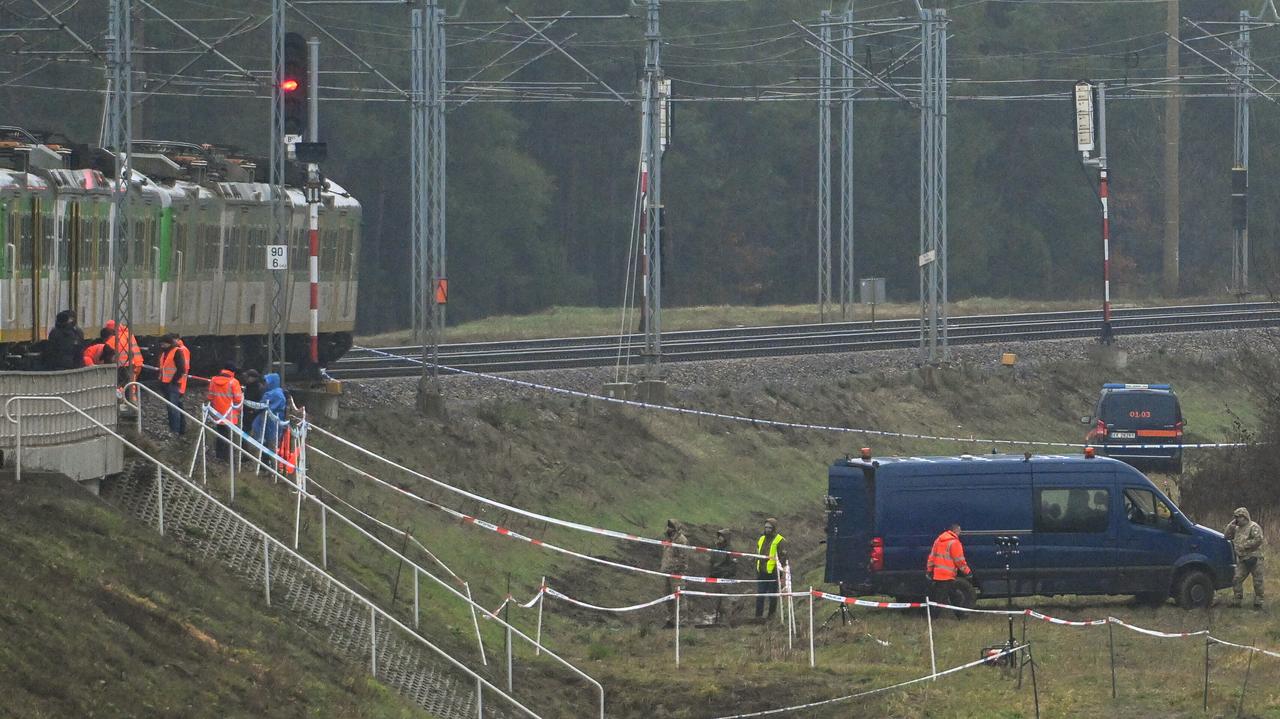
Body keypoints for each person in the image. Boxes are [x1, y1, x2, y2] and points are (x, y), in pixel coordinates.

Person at [927, 522, 973, 618]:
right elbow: (959, 560)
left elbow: (932, 557)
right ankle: (933, 618)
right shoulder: (954, 542)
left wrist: (929, 570)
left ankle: (960, 615)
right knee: (942, 598)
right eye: (959, 530)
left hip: (938, 574)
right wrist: (967, 572)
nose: (960, 532)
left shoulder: (938, 540)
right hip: (947, 575)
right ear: (955, 530)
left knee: (953, 595)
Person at [1224, 507, 1265, 609]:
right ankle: (1237, 600)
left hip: (1254, 558)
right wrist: (1230, 526)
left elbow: (1258, 539)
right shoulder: (1236, 528)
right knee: (1236, 579)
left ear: (1244, 517)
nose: (1237, 519)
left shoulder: (1253, 526)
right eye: (1236, 517)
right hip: (1243, 559)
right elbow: (1226, 536)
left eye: (1239, 517)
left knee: (1257, 581)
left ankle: (1258, 601)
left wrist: (1244, 545)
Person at [206, 363, 243, 460]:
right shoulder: (234, 382)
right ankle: (227, 457)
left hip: (217, 413)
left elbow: (210, 396)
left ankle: (219, 455)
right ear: (233, 372)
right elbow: (238, 400)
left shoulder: (213, 380)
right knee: (229, 436)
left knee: (220, 434)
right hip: (230, 414)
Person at [755, 518, 788, 620]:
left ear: (773, 528)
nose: (767, 529)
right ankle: (758, 617)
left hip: (773, 573)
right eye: (766, 527)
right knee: (760, 595)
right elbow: (757, 553)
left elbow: (783, 557)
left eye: (769, 527)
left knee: (772, 596)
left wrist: (781, 572)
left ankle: (771, 617)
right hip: (761, 572)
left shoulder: (780, 540)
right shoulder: (761, 539)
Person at [157, 334, 189, 436]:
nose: (161, 346)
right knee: (171, 408)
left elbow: (181, 369)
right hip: (166, 384)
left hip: (172, 385)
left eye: (163, 343)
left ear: (168, 343)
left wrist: (173, 381)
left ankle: (176, 430)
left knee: (173, 408)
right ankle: (175, 429)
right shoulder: (165, 353)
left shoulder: (176, 351)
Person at [659, 519, 689, 628]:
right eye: (668, 526)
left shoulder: (681, 540)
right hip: (667, 572)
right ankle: (671, 620)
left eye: (670, 526)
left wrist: (677, 569)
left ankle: (682, 622)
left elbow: (683, 558)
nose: (668, 529)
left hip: (677, 573)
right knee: (668, 597)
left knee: (679, 597)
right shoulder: (668, 540)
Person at [707, 529, 738, 626]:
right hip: (715, 576)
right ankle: (717, 620)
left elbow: (733, 566)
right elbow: (711, 562)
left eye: (722, 536)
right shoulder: (715, 548)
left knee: (725, 601)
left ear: (726, 538)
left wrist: (726, 574)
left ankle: (728, 621)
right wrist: (711, 573)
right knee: (715, 600)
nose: (719, 538)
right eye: (719, 536)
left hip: (725, 578)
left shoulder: (730, 550)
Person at [251, 372, 288, 449]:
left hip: (271, 422)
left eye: (266, 382)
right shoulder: (276, 392)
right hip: (270, 422)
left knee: (271, 444)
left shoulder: (273, 394)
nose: (265, 384)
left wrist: (254, 410)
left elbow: (262, 406)